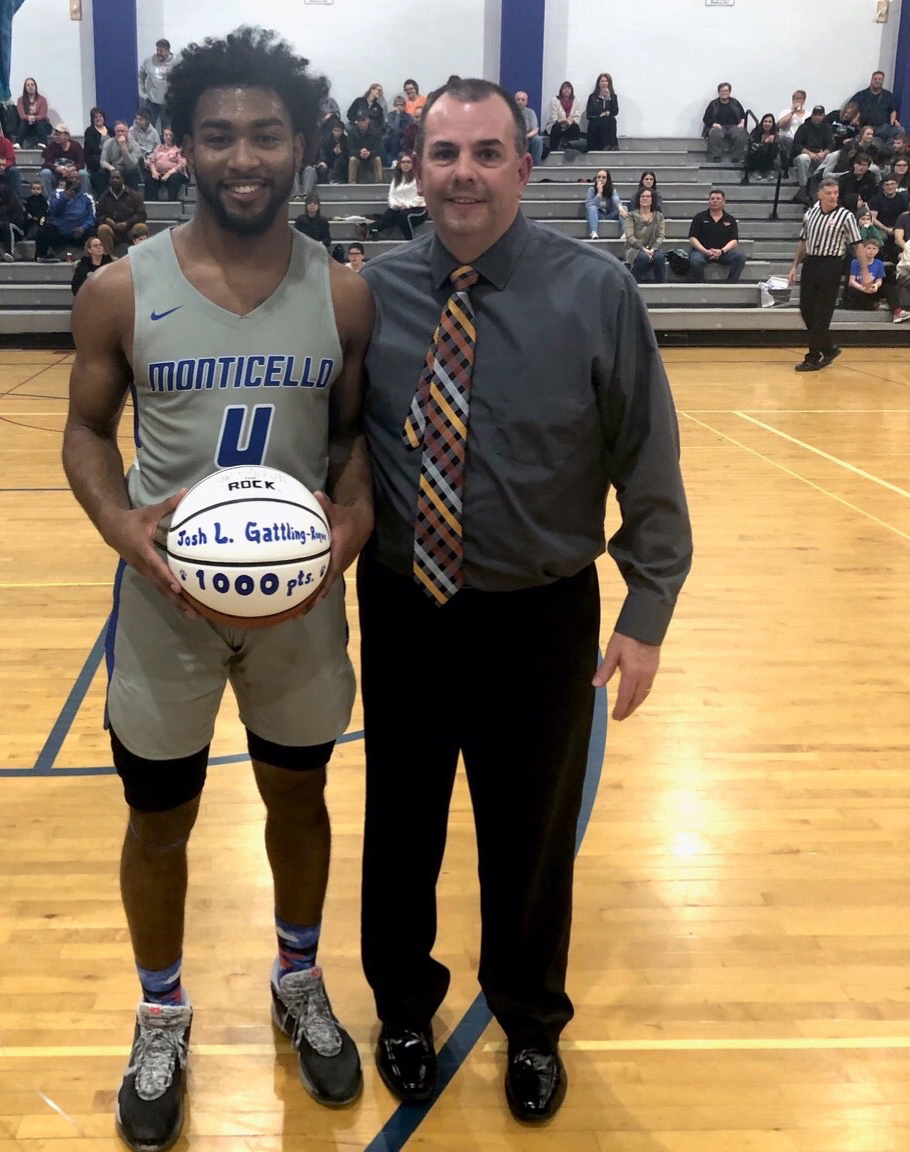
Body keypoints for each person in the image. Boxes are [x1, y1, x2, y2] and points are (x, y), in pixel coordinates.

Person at [61, 27, 375, 1150]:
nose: (244, 157)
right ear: (182, 146)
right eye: (219, 135)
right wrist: (121, 527)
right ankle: (161, 1012)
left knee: (301, 798)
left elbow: (352, 444)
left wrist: (351, 517)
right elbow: (86, 435)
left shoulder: (342, 296)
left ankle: (298, 979)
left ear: (301, 145)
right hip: (164, 613)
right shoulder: (115, 291)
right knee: (161, 822)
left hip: (296, 613)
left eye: (266, 135)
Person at [357, 75, 691, 1126]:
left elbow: (650, 458)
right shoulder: (372, 294)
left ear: (523, 167)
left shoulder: (596, 292)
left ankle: (533, 1022)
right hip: (407, 604)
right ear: (415, 168)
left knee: (530, 834)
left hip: (542, 616)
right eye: (443, 152)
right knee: (399, 819)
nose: (464, 173)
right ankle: (403, 1007)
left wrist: (645, 612)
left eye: (486, 152)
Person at [788, 176, 872, 370]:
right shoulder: (811, 213)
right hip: (811, 263)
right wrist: (794, 266)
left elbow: (857, 245)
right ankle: (828, 348)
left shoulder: (846, 216)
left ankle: (813, 356)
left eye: (836, 193)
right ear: (820, 194)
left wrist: (865, 271)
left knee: (822, 313)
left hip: (832, 265)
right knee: (806, 309)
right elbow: (803, 241)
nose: (833, 196)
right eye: (829, 193)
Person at [688, 189, 746, 282]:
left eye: (718, 199)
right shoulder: (699, 217)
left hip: (723, 253)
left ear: (724, 202)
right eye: (712, 199)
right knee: (695, 261)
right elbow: (692, 238)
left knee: (740, 257)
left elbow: (734, 240)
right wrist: (705, 251)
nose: (715, 201)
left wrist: (722, 251)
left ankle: (730, 285)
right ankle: (701, 286)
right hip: (702, 252)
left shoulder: (730, 219)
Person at [36, 171, 96, 262]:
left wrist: (83, 228)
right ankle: (41, 256)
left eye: (77, 178)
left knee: (93, 230)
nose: (75, 180)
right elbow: (54, 212)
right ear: (67, 180)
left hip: (79, 234)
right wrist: (65, 198)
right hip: (59, 234)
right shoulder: (57, 194)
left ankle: (93, 258)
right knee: (43, 229)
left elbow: (92, 217)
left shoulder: (87, 197)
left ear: (81, 181)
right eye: (72, 178)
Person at [366, 153, 427, 240]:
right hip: (400, 207)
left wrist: (407, 205)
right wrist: (394, 205)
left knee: (403, 215)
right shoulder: (397, 178)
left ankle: (409, 240)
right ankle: (372, 229)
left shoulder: (419, 177)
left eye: (408, 162)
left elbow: (422, 196)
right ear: (399, 164)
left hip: (418, 208)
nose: (406, 164)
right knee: (391, 212)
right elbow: (391, 195)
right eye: (403, 162)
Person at [96, 170, 148, 255]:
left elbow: (142, 215)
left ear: (123, 180)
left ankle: (140, 255)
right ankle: (109, 258)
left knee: (141, 227)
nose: (115, 180)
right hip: (112, 230)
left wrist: (126, 223)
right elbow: (99, 214)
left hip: (130, 230)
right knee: (103, 228)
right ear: (109, 180)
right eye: (113, 178)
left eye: (117, 178)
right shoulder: (104, 196)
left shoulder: (134, 195)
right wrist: (107, 220)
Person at [791, 106, 834, 203]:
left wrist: (823, 153)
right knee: (803, 159)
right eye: (815, 115)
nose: (817, 117)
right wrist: (810, 153)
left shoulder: (827, 128)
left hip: (820, 155)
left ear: (823, 116)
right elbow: (797, 145)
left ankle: (820, 192)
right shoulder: (803, 127)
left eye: (820, 115)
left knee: (831, 158)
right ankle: (803, 187)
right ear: (812, 115)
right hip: (805, 155)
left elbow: (831, 144)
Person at [624, 186, 666, 282]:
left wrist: (653, 249)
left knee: (659, 257)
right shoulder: (631, 216)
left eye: (648, 196)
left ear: (652, 199)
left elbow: (660, 236)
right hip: (633, 249)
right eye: (642, 196)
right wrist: (643, 250)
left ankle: (662, 287)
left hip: (652, 249)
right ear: (639, 199)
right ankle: (633, 282)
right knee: (643, 258)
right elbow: (629, 237)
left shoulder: (659, 216)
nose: (645, 198)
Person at [848, 71, 902, 141]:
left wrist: (894, 120)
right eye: (875, 79)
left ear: (883, 81)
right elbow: (850, 108)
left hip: (883, 128)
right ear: (871, 80)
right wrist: (855, 117)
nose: (877, 81)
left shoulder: (888, 95)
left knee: (900, 131)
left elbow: (893, 110)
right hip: (864, 127)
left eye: (880, 79)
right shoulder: (861, 95)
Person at [703, 82, 747, 164]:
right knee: (714, 132)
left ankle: (736, 157)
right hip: (719, 127)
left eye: (726, 90)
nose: (724, 92)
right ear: (718, 92)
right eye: (721, 91)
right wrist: (714, 124)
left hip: (733, 127)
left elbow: (743, 115)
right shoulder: (713, 104)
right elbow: (706, 119)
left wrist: (742, 122)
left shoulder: (735, 103)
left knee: (741, 133)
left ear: (729, 92)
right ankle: (716, 156)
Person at [40, 125, 89, 198]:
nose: (55, 137)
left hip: (72, 173)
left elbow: (81, 164)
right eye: (55, 134)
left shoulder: (76, 145)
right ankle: (51, 198)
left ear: (67, 136)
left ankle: (83, 198)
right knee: (45, 173)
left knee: (83, 173)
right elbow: (47, 163)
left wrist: (71, 169)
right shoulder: (52, 146)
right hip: (56, 173)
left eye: (58, 135)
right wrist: (57, 169)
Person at [869, 175, 909, 260]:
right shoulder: (876, 199)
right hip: (881, 228)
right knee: (881, 237)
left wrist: (898, 228)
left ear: (897, 185)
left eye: (892, 184)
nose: (890, 187)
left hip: (898, 227)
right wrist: (886, 229)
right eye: (887, 184)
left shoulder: (902, 198)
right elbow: (873, 218)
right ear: (883, 186)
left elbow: (905, 214)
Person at [139, 38, 175, 133]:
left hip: (167, 101)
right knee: (149, 125)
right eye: (157, 50)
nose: (158, 53)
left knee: (166, 127)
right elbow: (142, 72)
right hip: (152, 100)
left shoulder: (176, 62)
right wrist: (142, 84)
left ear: (168, 50)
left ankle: (166, 146)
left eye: (161, 51)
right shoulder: (149, 61)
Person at [145, 129, 189, 202]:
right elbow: (152, 161)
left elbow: (182, 164)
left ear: (173, 136)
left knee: (174, 179)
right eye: (166, 135)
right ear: (163, 136)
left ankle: (171, 203)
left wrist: (168, 174)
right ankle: (151, 205)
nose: (168, 137)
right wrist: (154, 172)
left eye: (170, 135)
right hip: (159, 173)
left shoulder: (178, 149)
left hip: (174, 173)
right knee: (149, 180)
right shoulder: (158, 148)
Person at [584, 167, 626, 239]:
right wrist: (599, 193)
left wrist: (620, 207)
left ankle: (625, 233)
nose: (601, 179)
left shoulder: (612, 190)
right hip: (595, 215)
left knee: (624, 208)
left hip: (608, 215)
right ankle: (594, 232)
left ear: (607, 179)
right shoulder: (591, 190)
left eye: (604, 177)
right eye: (599, 177)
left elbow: (616, 198)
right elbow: (590, 207)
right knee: (593, 208)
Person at [101, 121, 144, 189]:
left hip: (127, 169)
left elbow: (131, 165)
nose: (120, 133)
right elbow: (103, 161)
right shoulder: (108, 143)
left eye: (122, 131)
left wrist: (124, 148)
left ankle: (131, 198)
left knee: (132, 173)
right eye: (118, 131)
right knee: (100, 174)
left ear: (127, 132)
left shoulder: (134, 145)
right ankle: (104, 198)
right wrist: (111, 168)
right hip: (113, 168)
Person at [585, 73, 619, 152]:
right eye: (602, 81)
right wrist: (600, 115)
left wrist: (609, 98)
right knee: (604, 120)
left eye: (606, 81)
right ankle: (605, 145)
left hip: (608, 121)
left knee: (611, 119)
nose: (604, 83)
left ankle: (613, 145)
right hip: (596, 122)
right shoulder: (592, 97)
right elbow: (589, 115)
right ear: (599, 84)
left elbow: (615, 112)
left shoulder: (613, 97)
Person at [15, 77, 52, 148]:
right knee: (23, 122)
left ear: (35, 87)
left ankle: (43, 143)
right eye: (28, 85)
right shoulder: (21, 100)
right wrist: (29, 118)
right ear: (25, 88)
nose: (30, 87)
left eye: (32, 85)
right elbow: (22, 115)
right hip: (27, 125)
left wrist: (34, 118)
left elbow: (43, 115)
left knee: (40, 122)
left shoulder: (42, 99)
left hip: (40, 125)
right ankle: (18, 143)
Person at [546, 81, 582, 152]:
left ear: (571, 90)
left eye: (568, 88)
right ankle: (553, 150)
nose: (566, 90)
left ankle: (573, 149)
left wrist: (571, 121)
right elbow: (554, 118)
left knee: (575, 127)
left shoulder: (577, 101)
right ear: (561, 90)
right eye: (564, 88)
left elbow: (577, 116)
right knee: (556, 127)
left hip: (569, 125)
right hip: (557, 124)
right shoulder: (555, 100)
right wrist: (565, 120)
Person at [348, 113, 383, 184]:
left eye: (363, 120)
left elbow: (379, 149)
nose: (361, 123)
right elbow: (350, 149)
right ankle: (351, 183)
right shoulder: (352, 133)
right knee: (352, 160)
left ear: (368, 121)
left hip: (371, 157)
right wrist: (359, 152)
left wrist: (369, 153)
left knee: (378, 159)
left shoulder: (376, 132)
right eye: (359, 121)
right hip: (358, 157)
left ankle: (379, 183)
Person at [85, 107, 111, 196]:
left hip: (111, 159)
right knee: (101, 174)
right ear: (92, 119)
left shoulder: (111, 130)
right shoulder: (89, 131)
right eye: (96, 117)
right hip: (96, 160)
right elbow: (91, 149)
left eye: (100, 116)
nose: (98, 118)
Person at [745, 114, 780, 180]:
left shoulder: (775, 133)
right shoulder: (756, 131)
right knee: (762, 150)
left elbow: (777, 150)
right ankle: (755, 171)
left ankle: (767, 171)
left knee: (772, 149)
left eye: (770, 122)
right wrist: (764, 142)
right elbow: (751, 148)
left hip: (768, 159)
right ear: (762, 122)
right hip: (754, 157)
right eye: (765, 121)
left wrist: (776, 141)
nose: (767, 124)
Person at [514, 91, 543, 165]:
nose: (520, 102)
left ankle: (537, 167)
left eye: (522, 100)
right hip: (514, 139)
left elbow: (535, 130)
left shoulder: (531, 113)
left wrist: (526, 136)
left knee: (538, 140)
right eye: (518, 99)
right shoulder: (509, 112)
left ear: (526, 102)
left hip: (527, 138)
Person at [316, 118, 348, 184]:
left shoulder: (346, 140)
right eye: (335, 130)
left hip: (342, 162)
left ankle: (335, 178)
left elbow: (348, 153)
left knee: (339, 158)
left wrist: (341, 152)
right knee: (322, 166)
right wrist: (332, 153)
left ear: (342, 131)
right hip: (328, 159)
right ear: (332, 131)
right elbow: (322, 152)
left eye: (338, 131)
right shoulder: (326, 139)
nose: (336, 133)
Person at [383, 96, 413, 166]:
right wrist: (397, 115)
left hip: (404, 137)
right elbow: (394, 128)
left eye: (401, 105)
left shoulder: (408, 116)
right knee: (395, 134)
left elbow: (408, 129)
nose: (399, 107)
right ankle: (394, 159)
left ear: (404, 106)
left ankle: (406, 159)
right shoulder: (390, 115)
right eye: (397, 105)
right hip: (392, 139)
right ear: (394, 106)